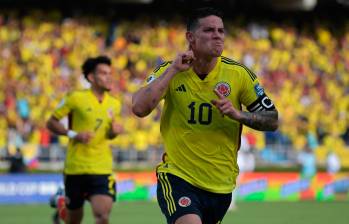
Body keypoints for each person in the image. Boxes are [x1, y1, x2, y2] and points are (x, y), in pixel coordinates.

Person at [132, 7, 278, 224]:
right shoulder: (170, 70)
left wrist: (239, 115)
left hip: (220, 184)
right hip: (178, 177)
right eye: (209, 30)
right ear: (190, 37)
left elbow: (272, 119)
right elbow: (139, 108)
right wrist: (172, 71)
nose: (217, 35)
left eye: (221, 30)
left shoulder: (238, 74)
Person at [46, 56, 123, 224]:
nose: (109, 76)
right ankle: (62, 204)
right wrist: (75, 134)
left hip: (101, 167)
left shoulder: (115, 103)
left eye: (110, 73)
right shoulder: (75, 98)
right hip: (76, 167)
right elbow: (51, 122)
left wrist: (113, 132)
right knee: (74, 221)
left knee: (102, 216)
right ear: (91, 77)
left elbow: (108, 135)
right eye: (103, 73)